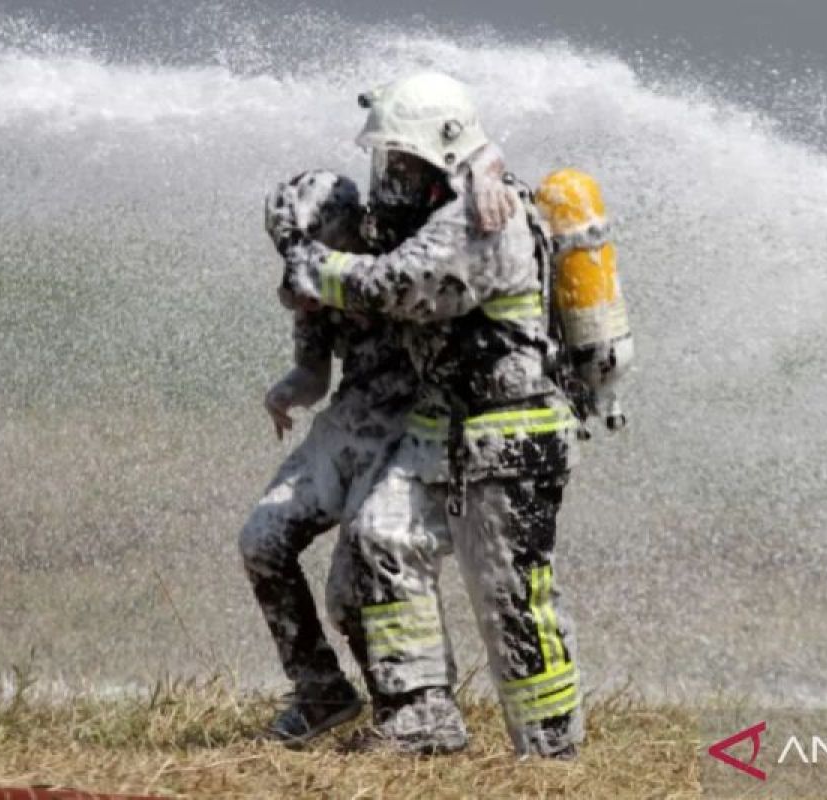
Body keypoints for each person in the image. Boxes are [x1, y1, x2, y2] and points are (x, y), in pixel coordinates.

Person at [266, 71, 583, 759]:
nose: (393, 180)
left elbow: (397, 285)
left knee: (512, 601)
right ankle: (421, 720)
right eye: (390, 163)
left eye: (406, 164)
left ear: (445, 154)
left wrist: (310, 266)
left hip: (511, 432)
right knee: (379, 538)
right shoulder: (450, 200)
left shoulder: (478, 220)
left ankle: (552, 755)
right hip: (448, 431)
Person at [241, 153, 516, 746]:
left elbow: (454, 207)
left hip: (410, 426)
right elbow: (312, 371)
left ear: (350, 224)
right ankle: (319, 690)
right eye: (292, 250)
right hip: (350, 419)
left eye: (318, 244)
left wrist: (485, 176)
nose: (303, 263)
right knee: (261, 540)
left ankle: (413, 709)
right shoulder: (309, 276)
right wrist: (287, 392)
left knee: (353, 586)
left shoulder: (399, 251)